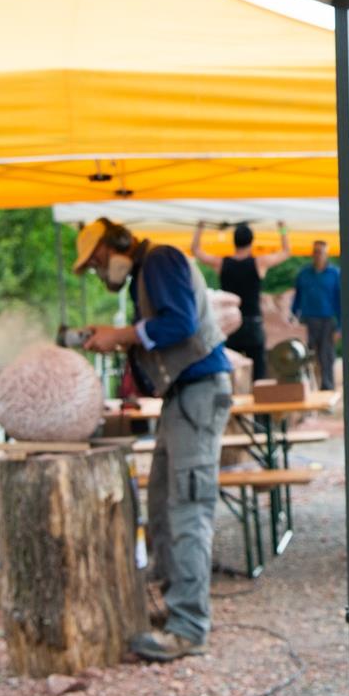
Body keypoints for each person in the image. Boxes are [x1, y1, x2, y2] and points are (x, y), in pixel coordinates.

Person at [72, 217, 234, 662]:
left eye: (98, 260)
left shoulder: (160, 259)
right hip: (183, 394)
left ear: (117, 244)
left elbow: (179, 323)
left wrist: (120, 335)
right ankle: (176, 605)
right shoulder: (145, 274)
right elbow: (160, 334)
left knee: (186, 505)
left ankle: (188, 627)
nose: (99, 271)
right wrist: (123, 344)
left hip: (198, 392)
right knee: (163, 501)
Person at [191, 220, 291, 382]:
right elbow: (286, 251)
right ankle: (260, 404)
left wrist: (200, 228)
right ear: (251, 242)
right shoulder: (259, 263)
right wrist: (282, 229)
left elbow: (196, 251)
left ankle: (230, 403)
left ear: (234, 241)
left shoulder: (222, 263)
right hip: (253, 324)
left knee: (229, 371)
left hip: (229, 323)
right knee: (258, 373)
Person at [291, 239, 341, 390]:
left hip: (327, 320)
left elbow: (340, 300)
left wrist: (340, 327)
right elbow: (297, 298)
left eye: (321, 252)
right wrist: (292, 316)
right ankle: (307, 388)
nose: (318, 255)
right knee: (305, 356)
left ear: (326, 254)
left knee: (326, 356)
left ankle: (327, 387)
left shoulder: (335, 274)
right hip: (307, 320)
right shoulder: (304, 274)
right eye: (315, 252)